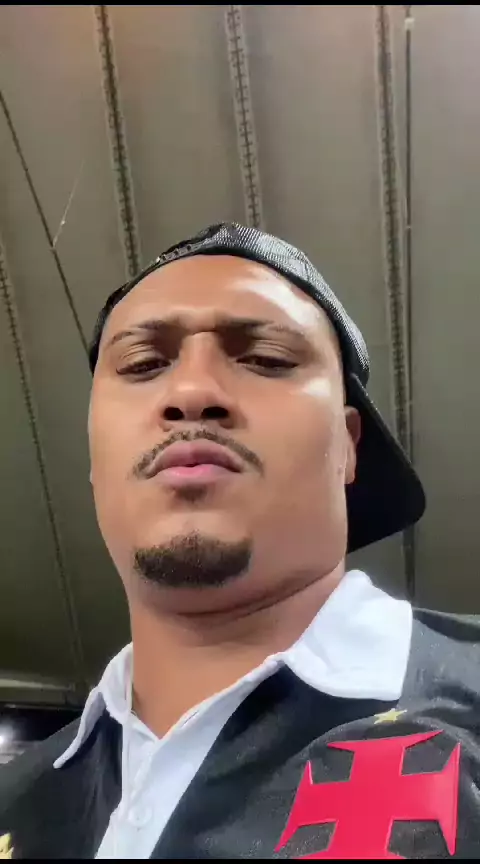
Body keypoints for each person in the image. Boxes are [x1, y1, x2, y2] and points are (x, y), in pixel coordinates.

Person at [1, 223, 479, 860]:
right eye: (143, 364)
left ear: (348, 446)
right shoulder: (15, 801)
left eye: (267, 359)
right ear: (94, 457)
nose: (192, 391)